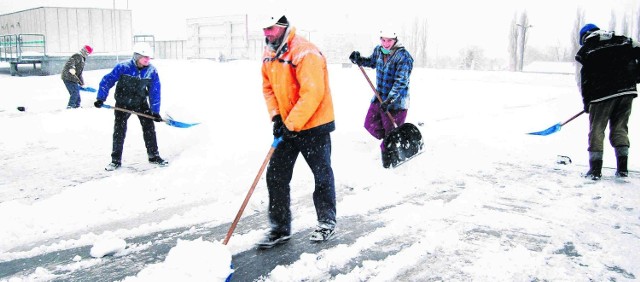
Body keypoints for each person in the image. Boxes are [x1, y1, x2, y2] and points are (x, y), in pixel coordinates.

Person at [257, 15, 337, 249]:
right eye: (264, 29)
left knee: (321, 174)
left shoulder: (305, 52)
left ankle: (326, 221)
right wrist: (276, 116)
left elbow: (313, 93)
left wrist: (290, 123)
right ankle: (280, 228)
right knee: (276, 175)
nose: (267, 33)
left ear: (282, 26)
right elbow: (268, 88)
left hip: (314, 126)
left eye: (270, 28)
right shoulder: (269, 53)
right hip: (288, 126)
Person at [575, 23, 640, 180]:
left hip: (601, 94)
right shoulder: (623, 41)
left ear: (585, 36)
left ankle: (595, 171)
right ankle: (622, 169)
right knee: (620, 128)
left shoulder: (588, 49)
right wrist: (635, 76)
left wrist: (587, 102)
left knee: (597, 129)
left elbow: (586, 80)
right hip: (626, 91)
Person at [94, 42, 168, 171]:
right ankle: (115, 160)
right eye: (144, 57)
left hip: (140, 102)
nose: (147, 60)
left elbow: (155, 91)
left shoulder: (151, 71)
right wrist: (101, 98)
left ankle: (154, 156)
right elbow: (107, 80)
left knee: (149, 128)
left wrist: (155, 111)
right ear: (137, 56)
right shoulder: (123, 67)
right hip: (123, 103)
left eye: (149, 57)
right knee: (119, 131)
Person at [349, 30, 414, 168]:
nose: (385, 44)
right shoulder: (379, 51)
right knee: (370, 123)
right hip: (380, 98)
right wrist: (359, 60)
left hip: (396, 103)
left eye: (389, 41)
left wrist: (390, 100)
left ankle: (390, 164)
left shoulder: (403, 57)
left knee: (390, 136)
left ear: (395, 40)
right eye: (383, 40)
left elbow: (401, 82)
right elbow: (372, 62)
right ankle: (390, 141)